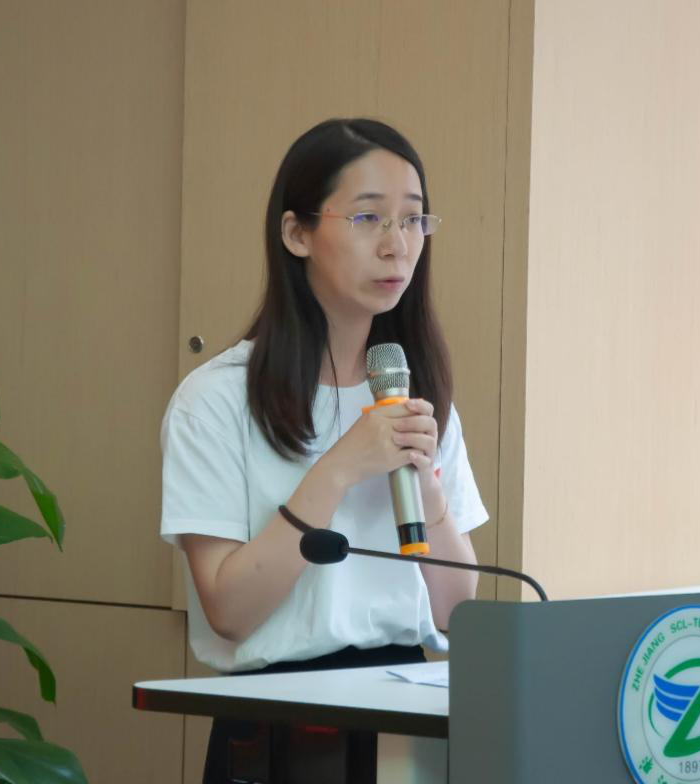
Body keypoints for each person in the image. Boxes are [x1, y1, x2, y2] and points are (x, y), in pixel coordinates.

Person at [160, 117, 489, 783]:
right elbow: (229, 612)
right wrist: (337, 469)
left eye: (413, 220)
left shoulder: (414, 394)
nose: (397, 245)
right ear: (297, 233)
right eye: (368, 219)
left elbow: (458, 611)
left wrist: (426, 486)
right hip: (278, 723)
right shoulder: (215, 399)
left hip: (405, 717)